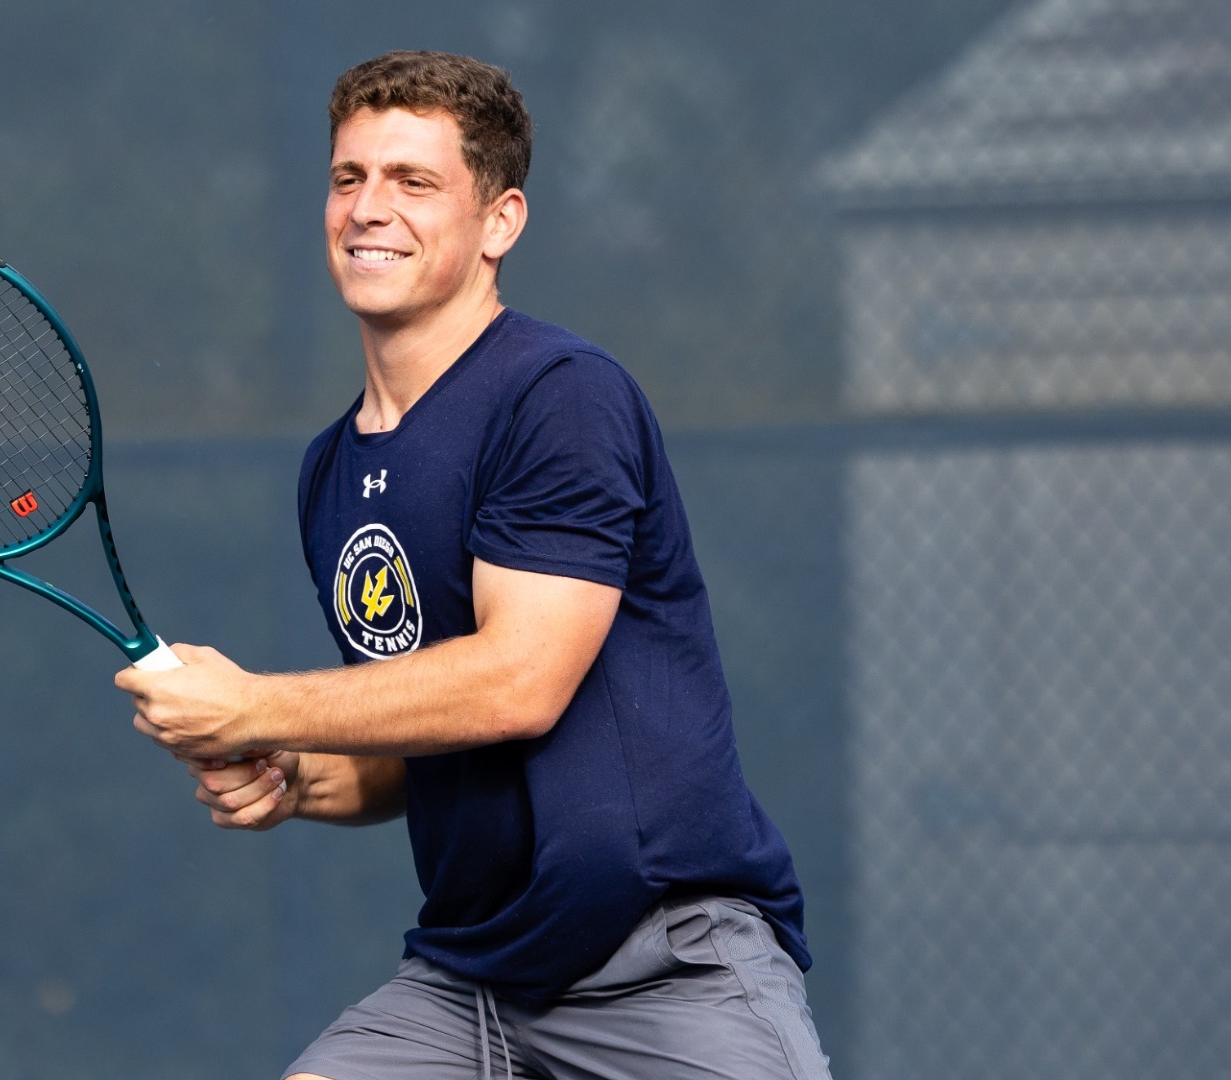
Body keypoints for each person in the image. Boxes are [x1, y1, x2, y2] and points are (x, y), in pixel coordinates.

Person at [115, 49, 832, 1080]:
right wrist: (300, 774)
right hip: (471, 983)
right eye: (347, 178)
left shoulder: (560, 396)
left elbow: (518, 683)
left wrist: (257, 706)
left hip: (664, 966)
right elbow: (420, 736)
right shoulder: (331, 469)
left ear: (500, 222)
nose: (368, 208)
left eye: (413, 182)